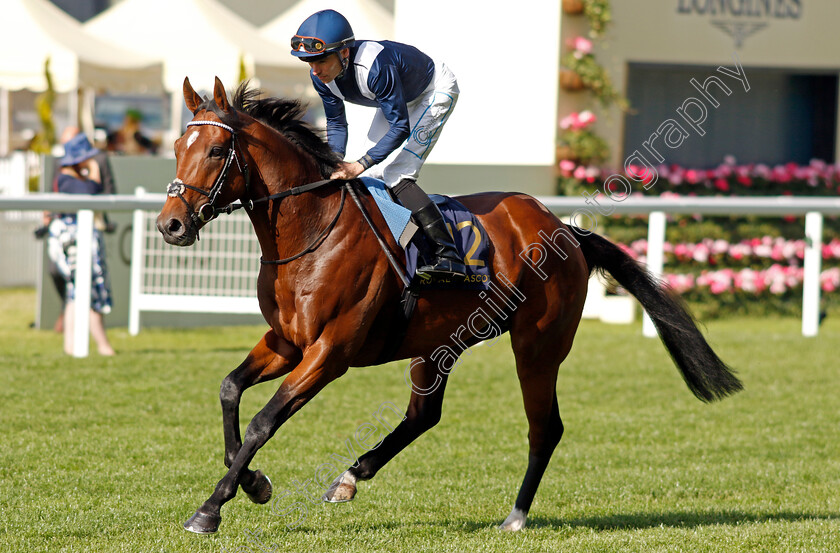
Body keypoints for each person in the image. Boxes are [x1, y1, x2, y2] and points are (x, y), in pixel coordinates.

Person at [290, 9, 466, 279]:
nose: (315, 70)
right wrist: (334, 162)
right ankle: (412, 246)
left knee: (397, 172)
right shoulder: (320, 78)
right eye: (309, 62)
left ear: (344, 53)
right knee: (372, 177)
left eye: (321, 60)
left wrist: (359, 164)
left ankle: (448, 255)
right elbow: (336, 123)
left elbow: (400, 127)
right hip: (397, 99)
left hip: (434, 90)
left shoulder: (375, 66)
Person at [48, 133, 115, 356]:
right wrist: (94, 171)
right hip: (74, 240)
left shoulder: (66, 177)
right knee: (88, 290)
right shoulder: (68, 179)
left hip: (75, 239)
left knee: (74, 292)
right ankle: (102, 346)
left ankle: (71, 345)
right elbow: (91, 193)